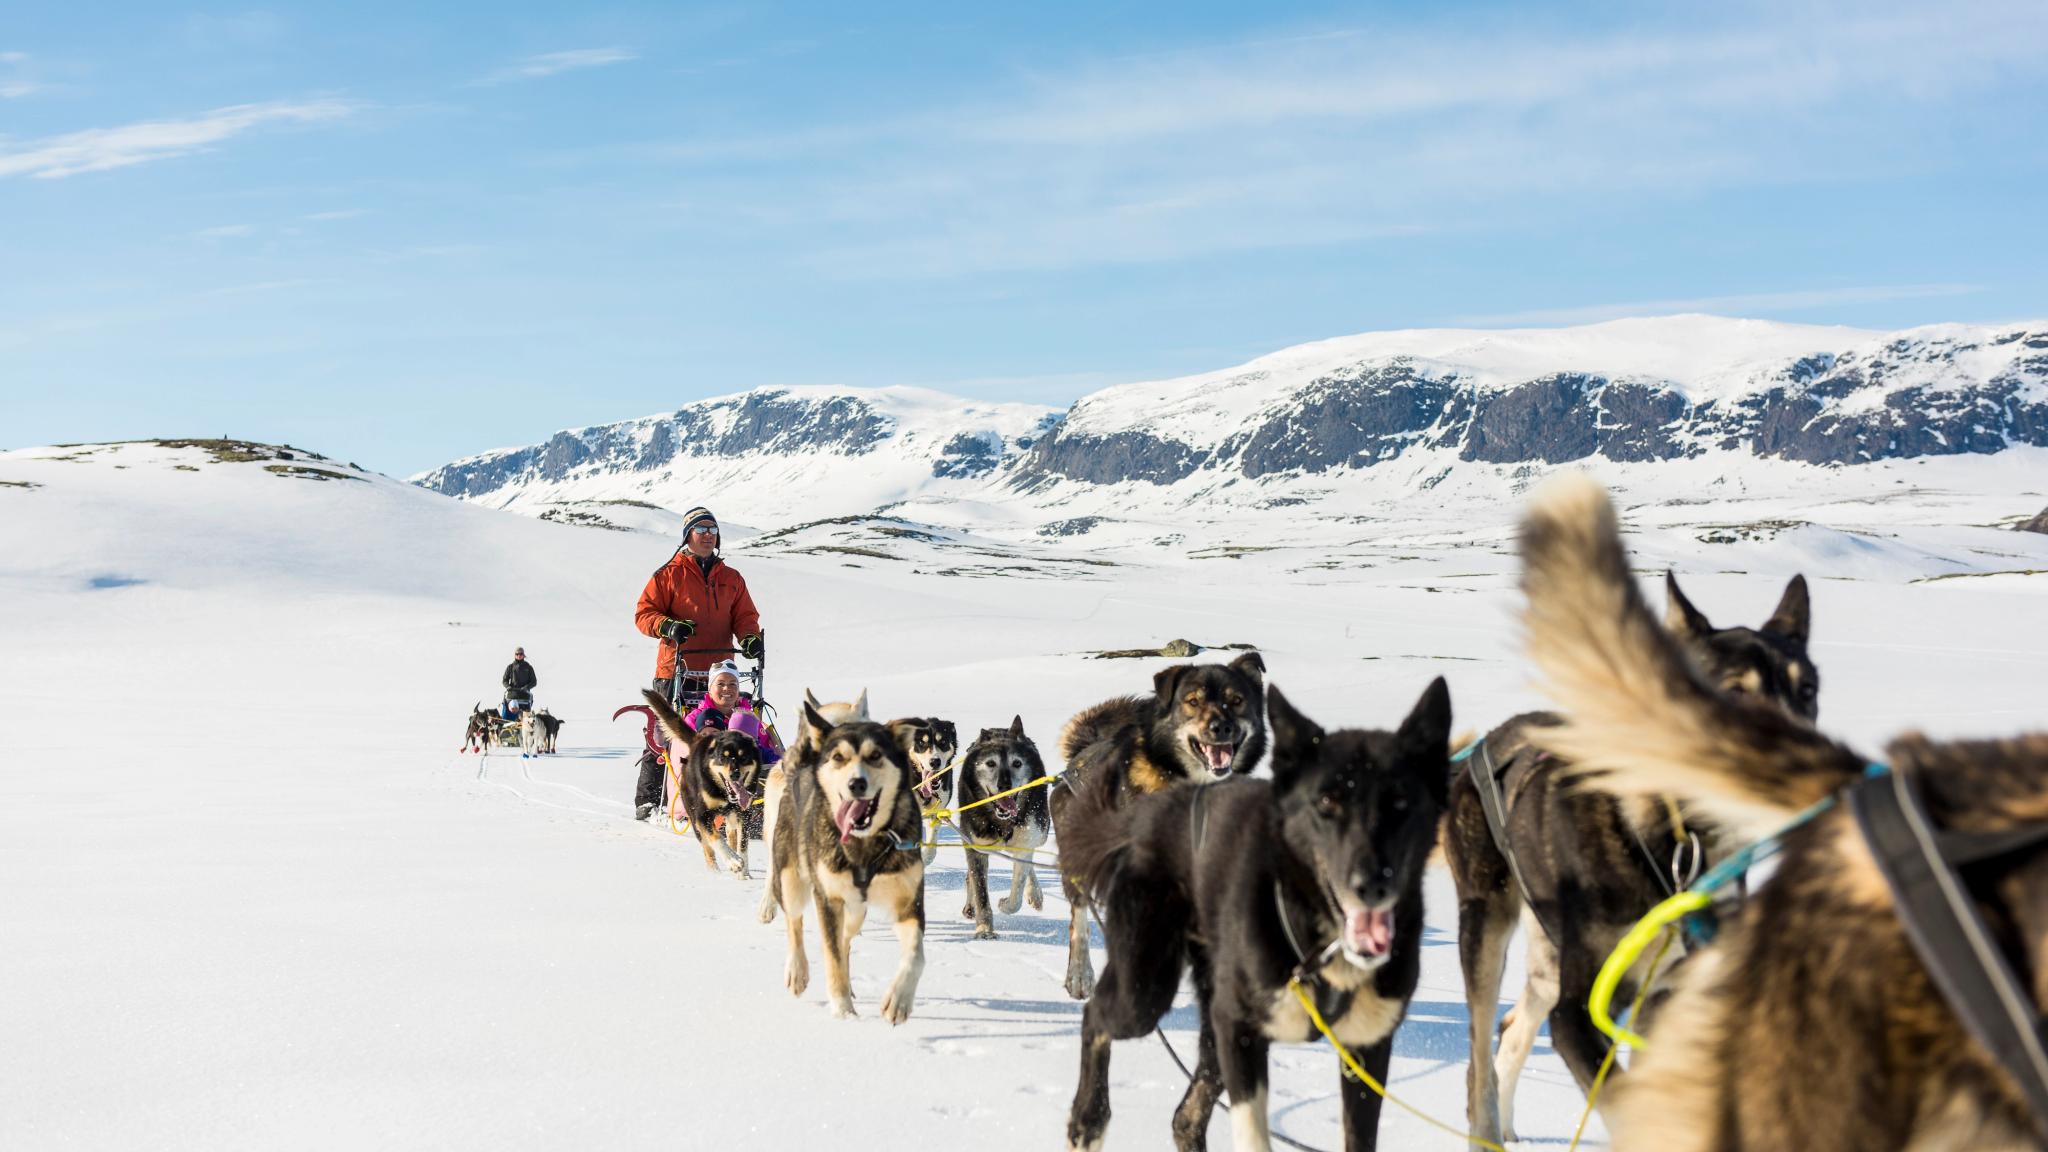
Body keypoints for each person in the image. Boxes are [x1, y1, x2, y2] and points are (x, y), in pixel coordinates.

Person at [632, 507, 764, 818]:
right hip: (675, 668)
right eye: (700, 529)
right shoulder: (667, 575)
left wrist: (748, 637)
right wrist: (668, 626)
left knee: (728, 736)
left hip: (720, 673)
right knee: (664, 735)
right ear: (687, 535)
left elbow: (745, 616)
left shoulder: (731, 578)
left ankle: (734, 799)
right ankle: (649, 801)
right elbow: (644, 614)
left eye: (712, 530)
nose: (707, 535)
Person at [683, 660, 783, 766]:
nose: (726, 688)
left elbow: (765, 751)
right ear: (710, 689)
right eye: (720, 684)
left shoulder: (748, 718)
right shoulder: (695, 719)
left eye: (732, 684)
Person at [501, 646, 537, 718]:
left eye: (520, 654)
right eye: (517, 654)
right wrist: (508, 687)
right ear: (515, 655)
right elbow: (504, 680)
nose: (519, 656)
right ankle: (504, 721)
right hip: (512, 693)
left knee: (526, 710)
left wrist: (527, 687)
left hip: (525, 694)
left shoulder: (528, 667)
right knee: (506, 704)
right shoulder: (510, 667)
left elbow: (534, 681)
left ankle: (526, 722)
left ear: (523, 655)